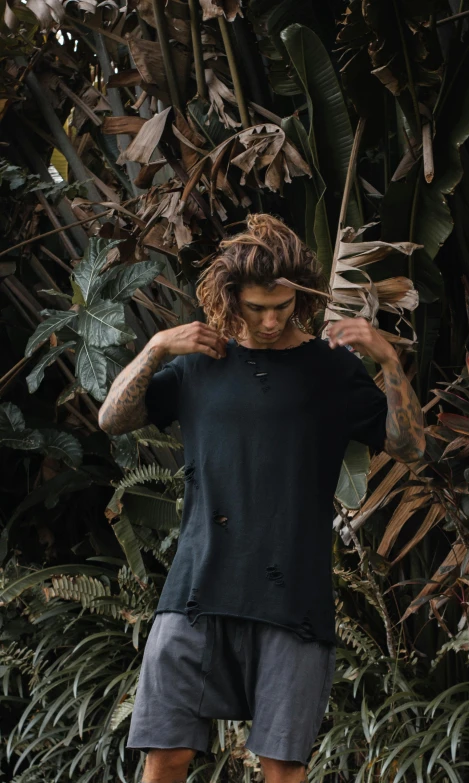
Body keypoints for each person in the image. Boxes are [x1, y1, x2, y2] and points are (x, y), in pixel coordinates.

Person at [98, 213, 425, 783]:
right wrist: (155, 347)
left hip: (292, 597)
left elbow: (410, 447)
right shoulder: (199, 363)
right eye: (257, 308)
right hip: (196, 589)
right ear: (231, 298)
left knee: (281, 767)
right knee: (166, 755)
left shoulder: (331, 370)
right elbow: (112, 419)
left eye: (283, 306)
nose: (272, 320)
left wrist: (390, 361)